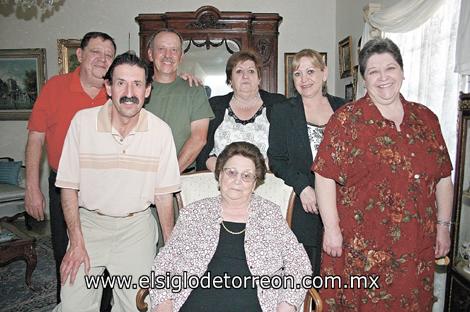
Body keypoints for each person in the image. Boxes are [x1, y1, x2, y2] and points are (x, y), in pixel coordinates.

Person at [313, 38, 453, 311]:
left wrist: (443, 227)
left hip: (416, 246)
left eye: (390, 68)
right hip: (361, 250)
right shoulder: (346, 120)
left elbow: (443, 177)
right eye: (373, 71)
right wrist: (331, 230)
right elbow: (324, 176)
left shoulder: (427, 119)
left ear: (402, 71)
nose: (383, 77)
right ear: (364, 79)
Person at [52, 52, 181, 312]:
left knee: (137, 306)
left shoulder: (160, 132)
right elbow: (68, 186)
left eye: (137, 84)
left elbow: (164, 196)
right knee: (73, 306)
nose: (129, 92)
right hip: (88, 226)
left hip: (136, 230)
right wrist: (76, 241)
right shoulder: (82, 123)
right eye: (121, 83)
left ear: (147, 91)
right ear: (109, 87)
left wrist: (169, 249)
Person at [150, 142, 311, 312]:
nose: (237, 181)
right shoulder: (194, 213)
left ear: (255, 183)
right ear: (219, 176)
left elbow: (298, 262)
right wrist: (163, 302)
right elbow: (165, 261)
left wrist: (287, 303)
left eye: (246, 176)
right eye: (231, 172)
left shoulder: (269, 214)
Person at [25, 31, 116, 303]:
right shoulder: (55, 87)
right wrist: (32, 187)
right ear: (80, 55)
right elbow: (36, 138)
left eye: (108, 55)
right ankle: (67, 305)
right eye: (95, 52)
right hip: (63, 187)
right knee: (67, 256)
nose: (102, 60)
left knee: (106, 258)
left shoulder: (116, 91)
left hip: (106, 191)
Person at [268, 49, 345, 274]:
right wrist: (302, 187)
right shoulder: (283, 111)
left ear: (324, 73)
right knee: (307, 272)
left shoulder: (344, 109)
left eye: (310, 71)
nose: (304, 79)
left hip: (343, 203)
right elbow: (277, 159)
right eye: (298, 74)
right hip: (306, 205)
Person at [196, 50, 286, 171]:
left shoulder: (278, 104)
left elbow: (288, 149)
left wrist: (255, 172)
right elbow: (202, 153)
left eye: (251, 71)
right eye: (239, 71)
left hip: (268, 180)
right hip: (222, 181)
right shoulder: (214, 106)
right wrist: (228, 172)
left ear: (259, 78)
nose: (245, 76)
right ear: (230, 80)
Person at [146, 28, 214, 173]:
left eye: (174, 50)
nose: (168, 55)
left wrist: (169, 176)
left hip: (182, 176)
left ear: (181, 56)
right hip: (140, 175)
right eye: (161, 49)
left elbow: (199, 138)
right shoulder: (137, 90)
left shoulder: (195, 90)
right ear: (151, 54)